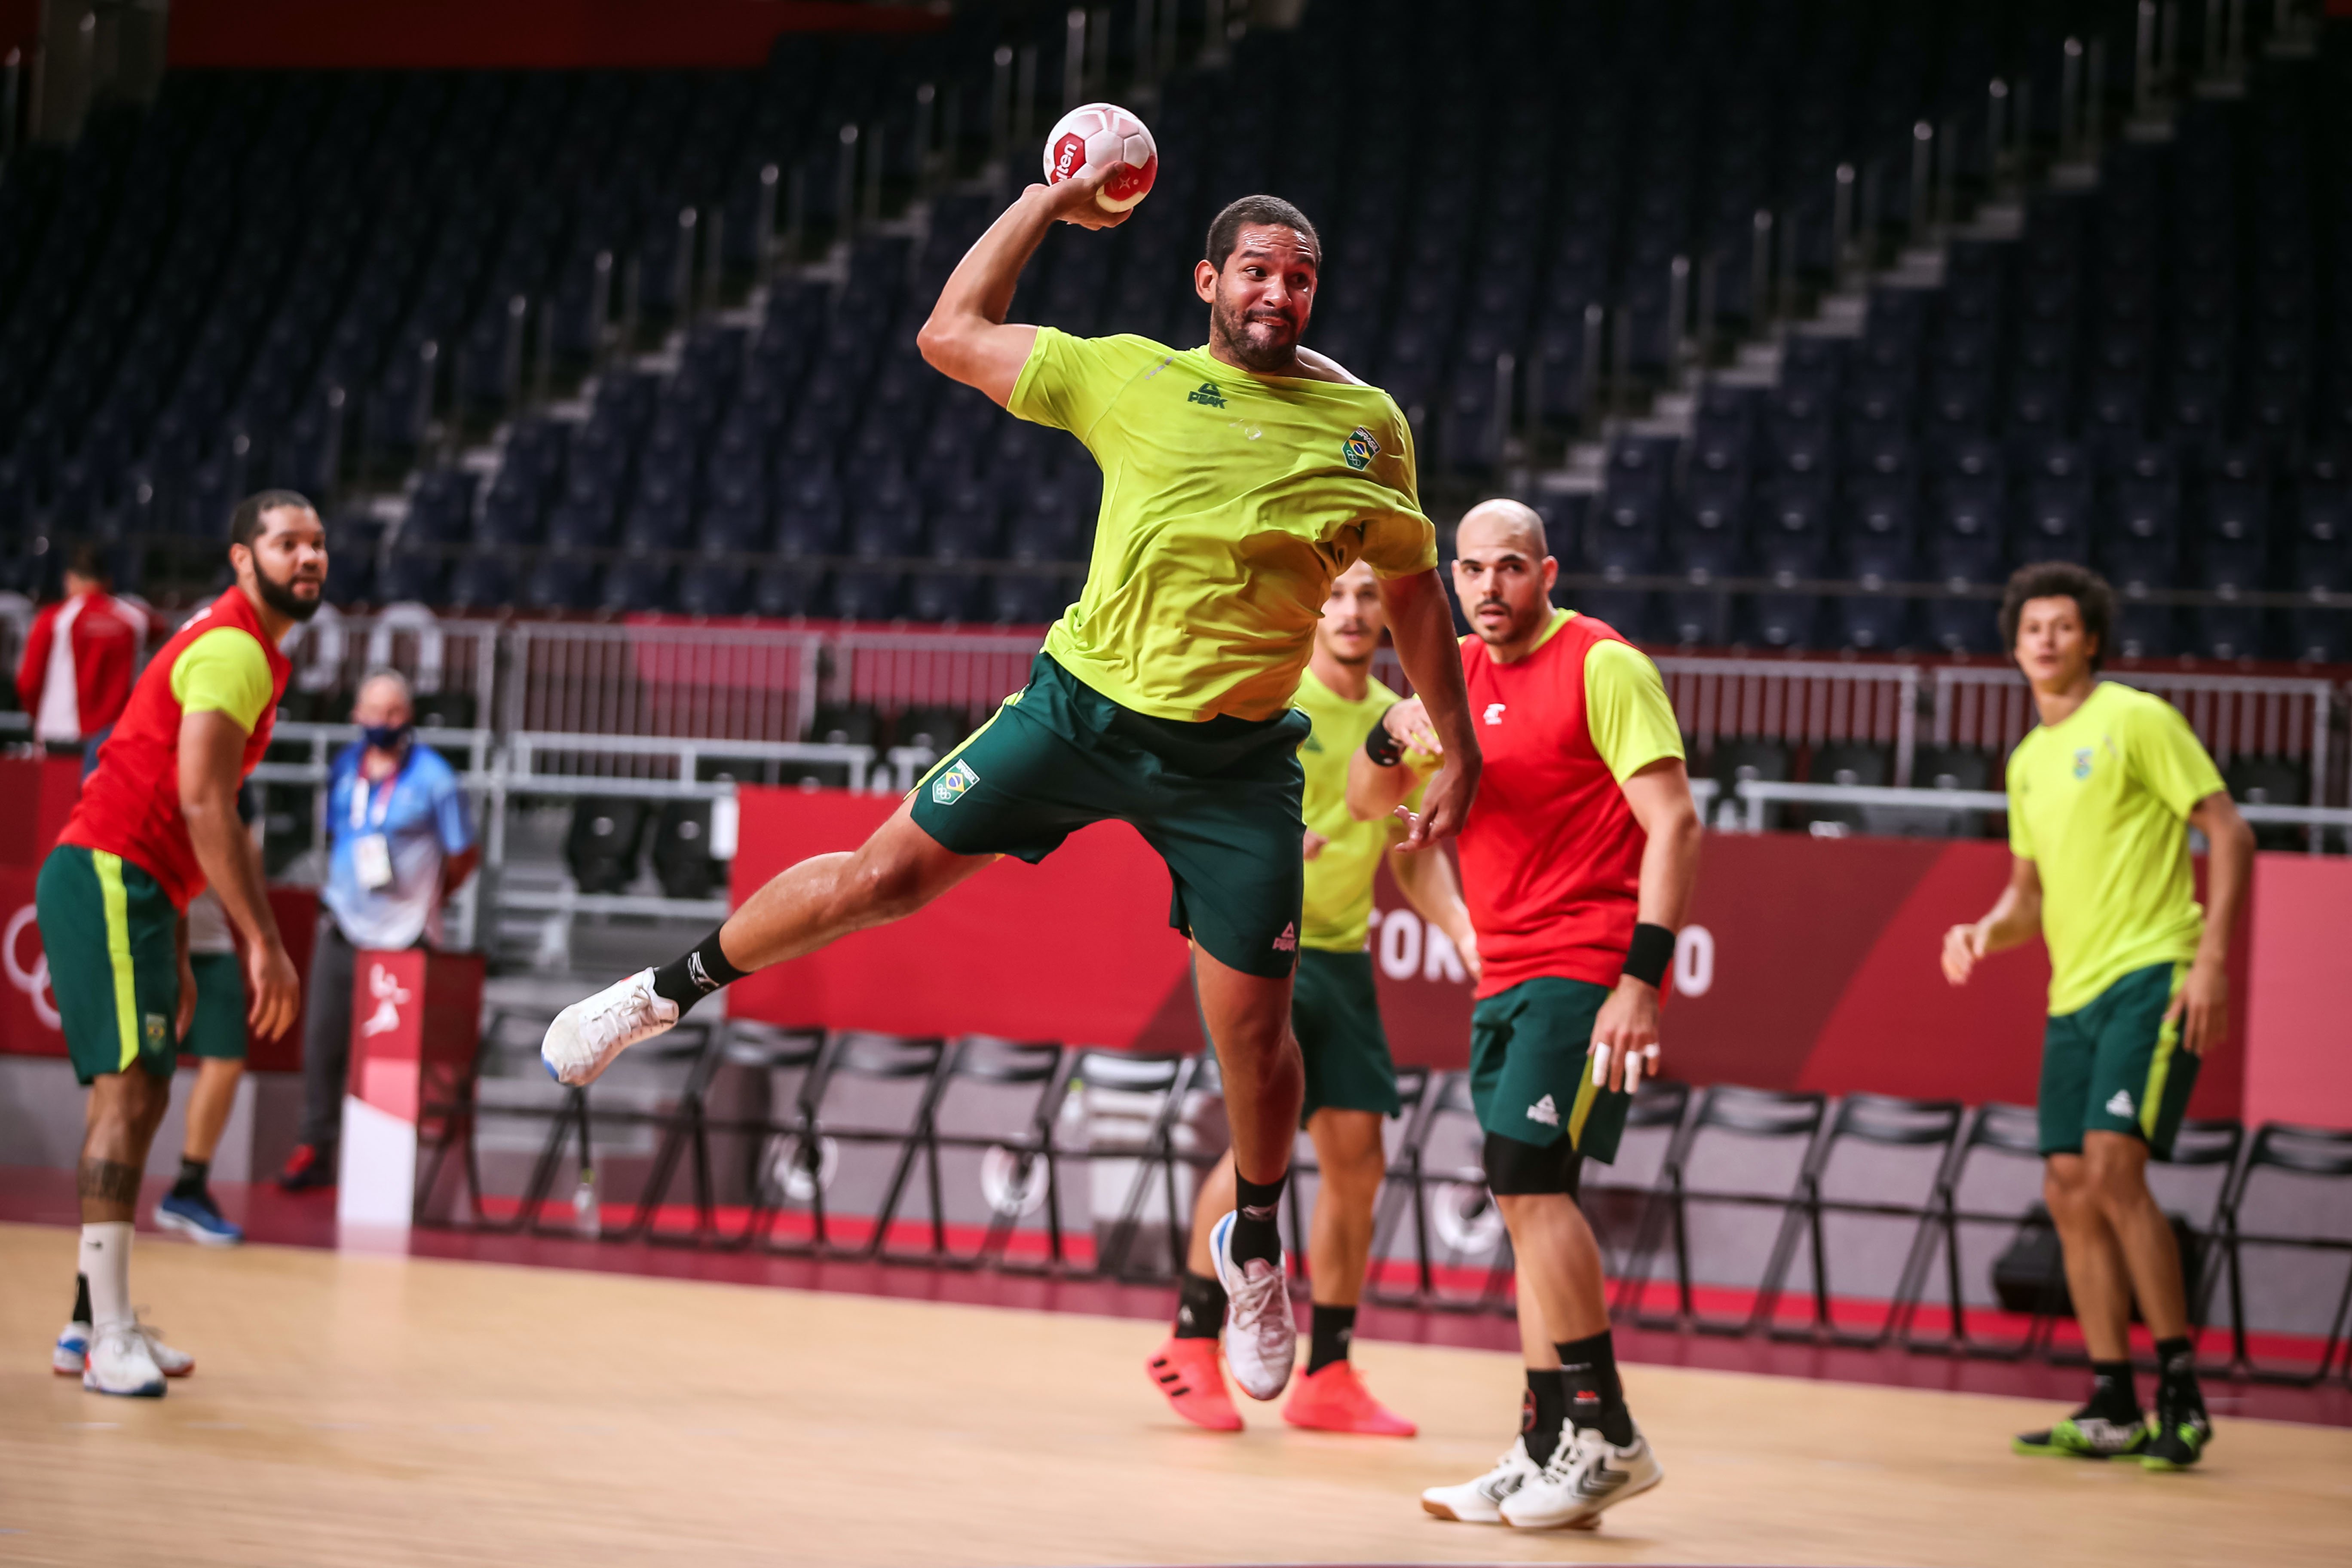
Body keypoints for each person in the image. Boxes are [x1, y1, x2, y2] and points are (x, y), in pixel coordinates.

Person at [539, 171, 1481, 1405]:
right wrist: (1049, 202)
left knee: (1256, 1033)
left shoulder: (1367, 427)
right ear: (1209, 282)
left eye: (1298, 274)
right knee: (882, 878)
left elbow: (1413, 589)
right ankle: (663, 994)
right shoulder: (1129, 373)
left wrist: (1455, 741)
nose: (1278, 291)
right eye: (1255, 269)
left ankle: (1255, 1242)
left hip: (1236, 758)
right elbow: (949, 333)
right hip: (1078, 713)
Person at [1351, 500, 1700, 1531]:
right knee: (1521, 1203)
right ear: (1450, 579)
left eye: (1508, 568)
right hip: (1501, 971)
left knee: (1530, 1185)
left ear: (1545, 572)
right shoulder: (1449, 673)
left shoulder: (1602, 664)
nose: (1487, 587)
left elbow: (1675, 824)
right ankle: (1547, 1440)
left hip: (1584, 967)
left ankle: (1604, 1434)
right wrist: (1390, 725)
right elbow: (1372, 805)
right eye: (1469, 571)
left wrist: (1641, 981)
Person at [1147, 559, 1477, 1436]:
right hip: (1262, 955)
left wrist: (1462, 933)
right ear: (1312, 603)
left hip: (1343, 956)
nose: (1354, 610)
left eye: (1371, 596)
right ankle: (1190, 1343)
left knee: (1358, 1158)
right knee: (1258, 1152)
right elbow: (1189, 799)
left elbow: (1411, 853)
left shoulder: (1395, 719)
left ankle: (1327, 1371)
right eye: (1337, 593)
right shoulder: (1270, 693)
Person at [1941, 562, 2251, 1471]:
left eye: (2063, 626)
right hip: (2070, 996)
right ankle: (2112, 1398)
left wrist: (2213, 964)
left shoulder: (2138, 720)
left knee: (2115, 1171)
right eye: (2031, 626)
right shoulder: (2027, 763)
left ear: (2092, 641)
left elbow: (2229, 832)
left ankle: (2180, 1388)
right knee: (2066, 1189)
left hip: (2154, 973)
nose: (2045, 639)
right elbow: (2026, 897)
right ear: (2014, 646)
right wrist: (1983, 932)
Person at [42, 490, 319, 1397]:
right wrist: (261, 942)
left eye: (318, 545)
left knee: (140, 1094)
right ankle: (110, 1333)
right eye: (287, 544)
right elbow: (204, 800)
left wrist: (180, 933)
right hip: (113, 872)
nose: (308, 557)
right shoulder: (236, 647)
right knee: (130, 1095)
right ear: (244, 560)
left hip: (141, 886)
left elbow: (200, 804)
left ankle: (90, 1327)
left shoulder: (248, 648)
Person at [278, 669, 477, 1192]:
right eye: (373, 713)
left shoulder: (435, 778)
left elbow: (464, 854)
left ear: (407, 718)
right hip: (343, 925)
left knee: (391, 1053)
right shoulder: (345, 767)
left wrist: (430, 899)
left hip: (404, 936)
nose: (382, 722)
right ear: (356, 717)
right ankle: (315, 1147)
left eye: (393, 714)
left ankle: (382, 1162)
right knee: (322, 1042)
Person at [151, 885, 255, 1245]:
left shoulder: (240, 827)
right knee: (131, 1073)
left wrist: (259, 938)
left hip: (212, 940)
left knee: (226, 1059)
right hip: (145, 939)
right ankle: (108, 1197)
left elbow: (244, 860)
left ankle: (189, 1186)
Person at [16, 542, 149, 772]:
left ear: (69, 579)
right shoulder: (137, 621)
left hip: (60, 742)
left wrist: (39, 718)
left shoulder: (53, 620)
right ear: (107, 581)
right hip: (117, 742)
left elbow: (28, 683)